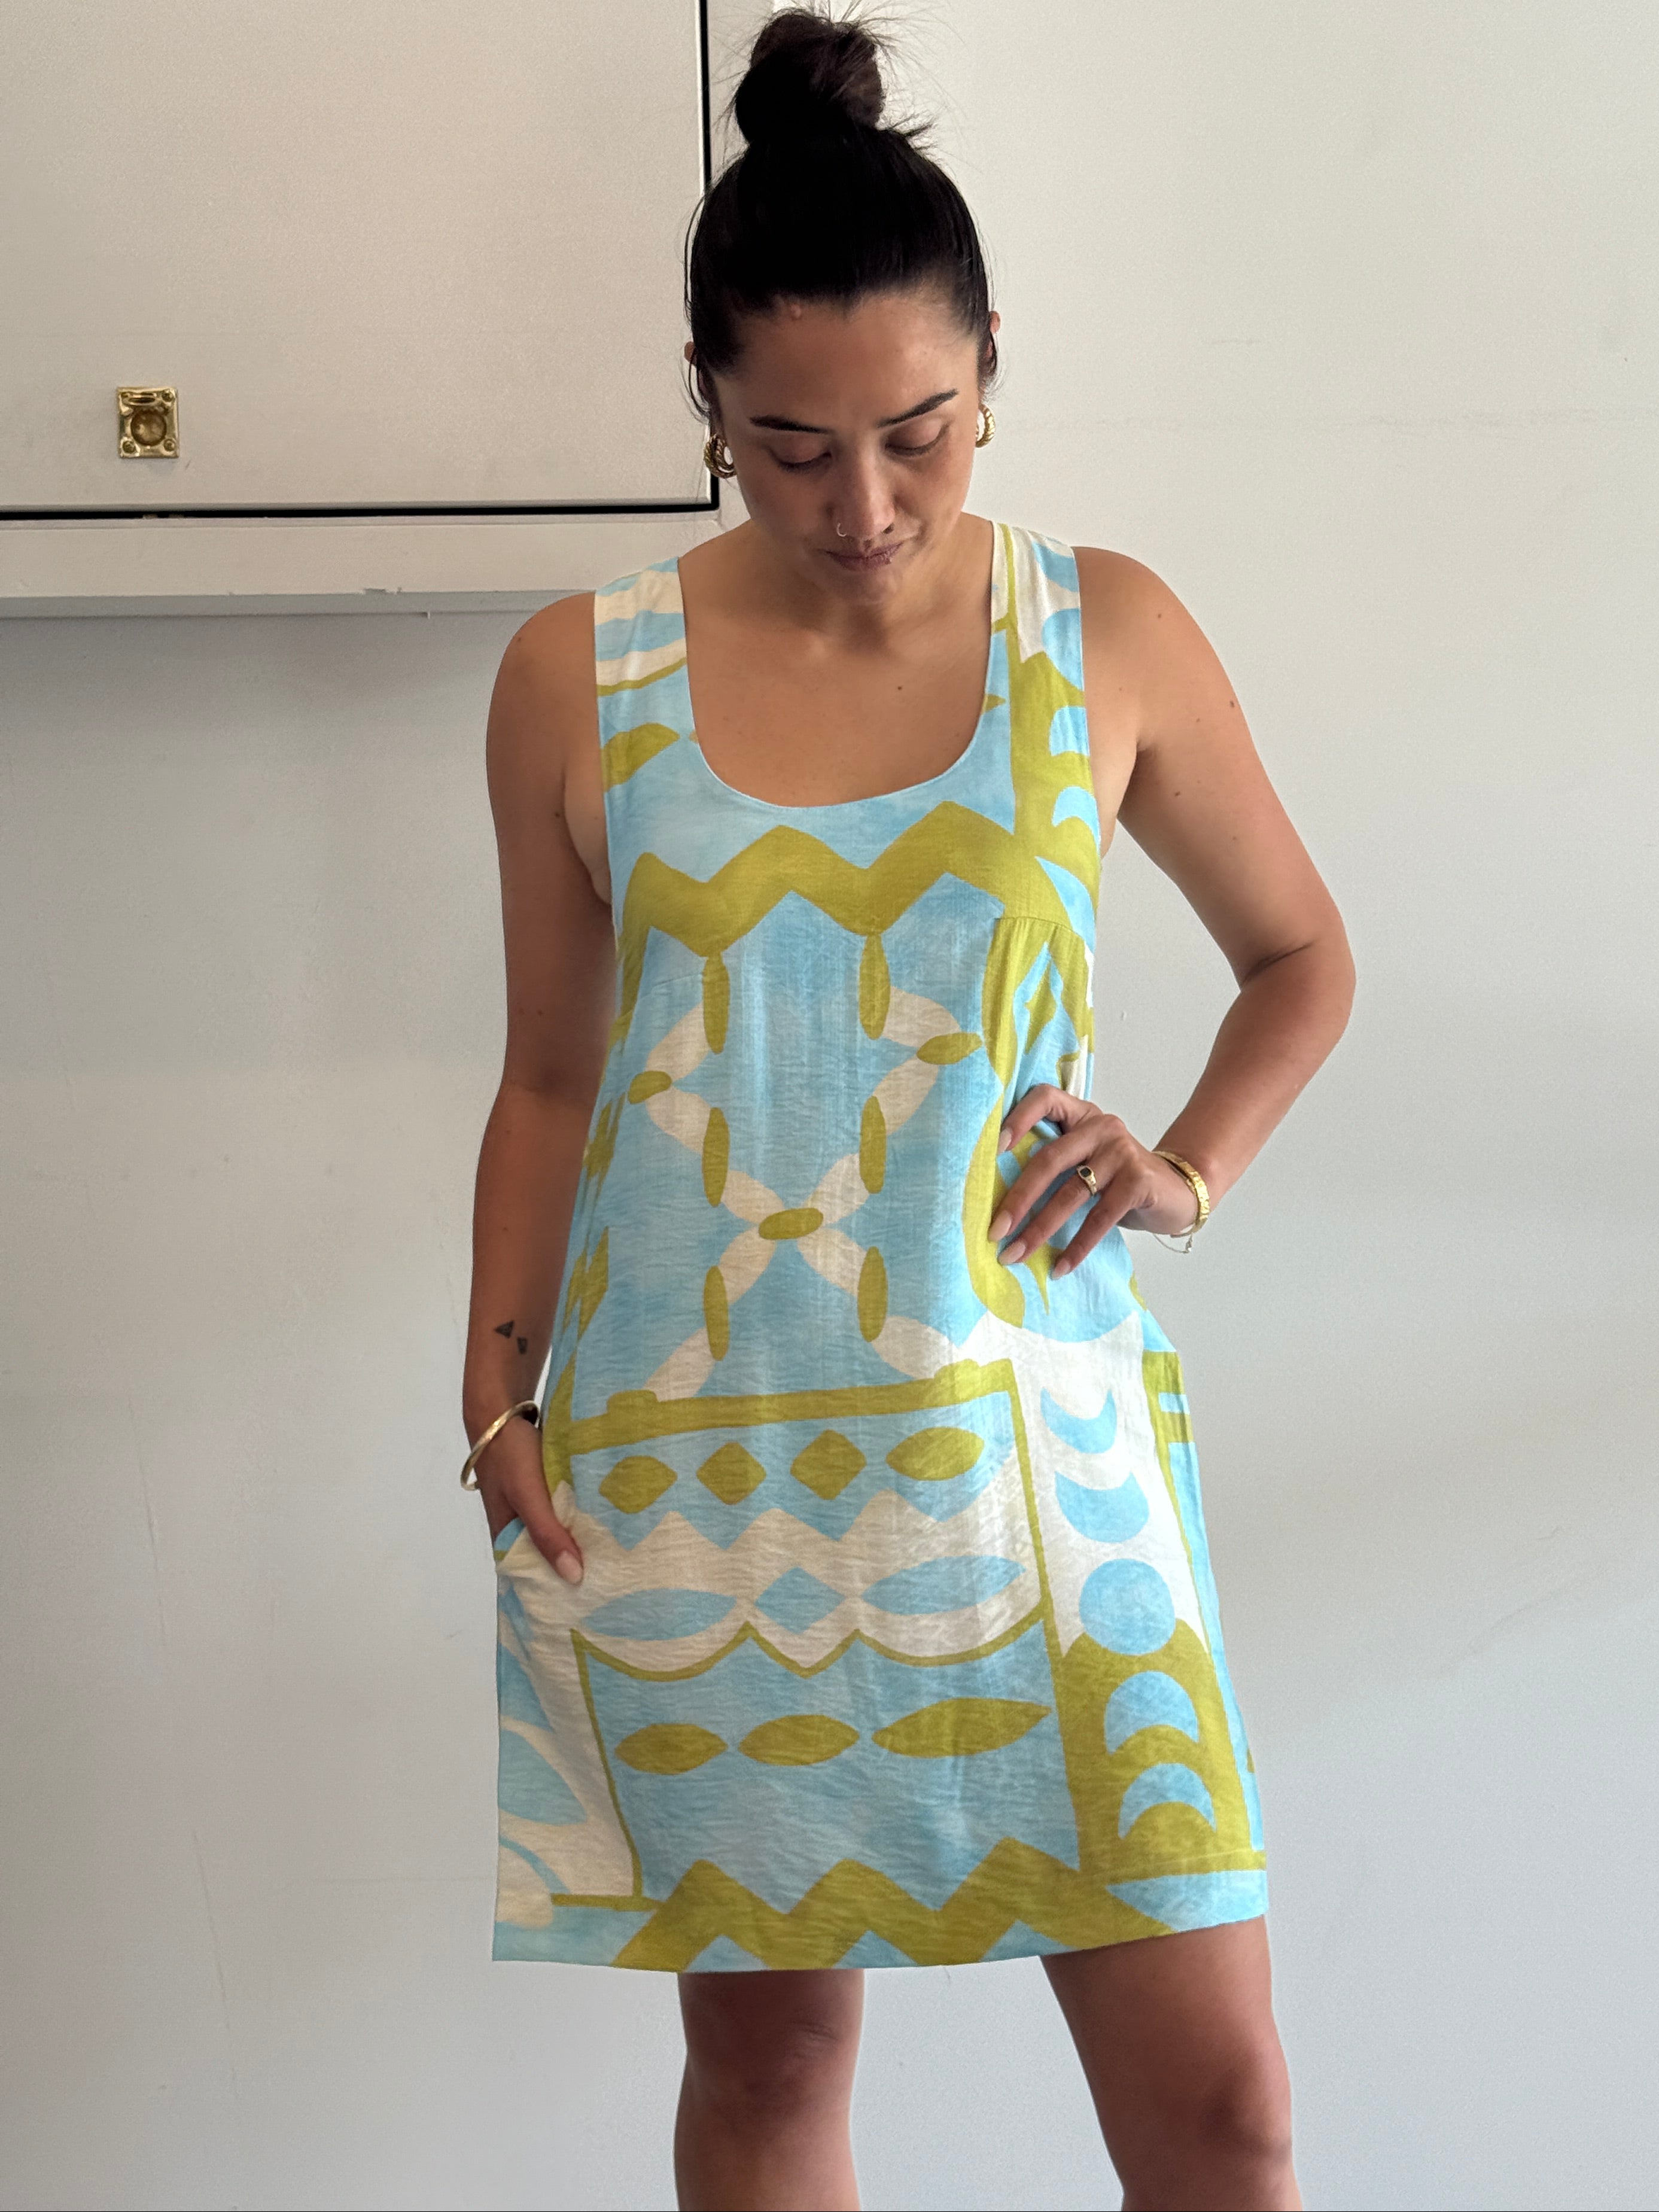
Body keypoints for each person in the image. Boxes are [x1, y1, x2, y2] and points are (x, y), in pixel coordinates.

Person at [460, 11, 1351, 2208]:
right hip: (704, 1472)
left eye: (919, 437)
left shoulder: (1105, 632)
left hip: (1044, 1477)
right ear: (708, 414)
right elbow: (554, 1071)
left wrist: (1188, 1166)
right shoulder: (582, 678)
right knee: (773, 2087)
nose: (862, 507)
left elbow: (1302, 959)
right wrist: (494, 1403)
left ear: (986, 380)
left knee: (1224, 2105)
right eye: (784, 449)